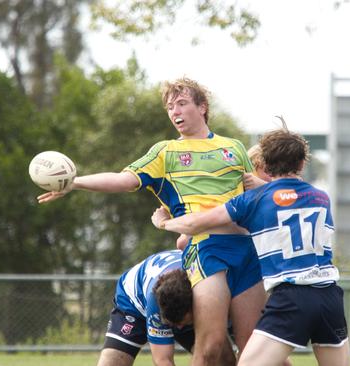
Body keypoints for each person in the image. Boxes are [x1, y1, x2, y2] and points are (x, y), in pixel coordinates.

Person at [38, 77, 266, 364]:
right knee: (210, 347)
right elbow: (122, 180)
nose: (175, 112)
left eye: (182, 103)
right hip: (207, 250)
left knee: (254, 351)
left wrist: (265, 188)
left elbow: (254, 196)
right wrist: (75, 183)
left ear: (202, 107)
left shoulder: (233, 148)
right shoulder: (165, 152)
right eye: (170, 107)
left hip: (246, 250)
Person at [151, 126, 350, 366]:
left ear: (264, 164)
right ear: (301, 164)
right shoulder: (321, 197)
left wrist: (164, 222)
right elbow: (288, 198)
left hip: (292, 297)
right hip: (329, 296)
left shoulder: (253, 200)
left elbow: (195, 224)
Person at [98, 249, 232, 366]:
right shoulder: (156, 302)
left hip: (187, 296)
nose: (178, 328)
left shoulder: (206, 290)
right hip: (133, 305)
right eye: (174, 324)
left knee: (224, 359)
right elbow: (163, 361)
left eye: (181, 323)